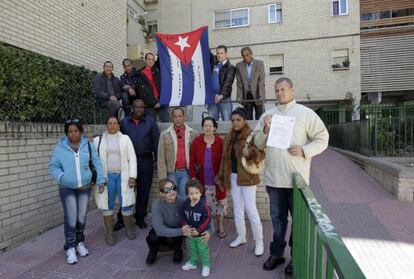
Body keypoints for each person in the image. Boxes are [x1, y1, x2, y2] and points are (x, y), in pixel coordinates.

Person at [254, 77, 329, 275]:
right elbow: (258, 143)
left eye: (283, 89)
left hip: (296, 181)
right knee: (277, 220)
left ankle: (296, 257)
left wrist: (305, 150)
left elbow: (323, 138)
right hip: (274, 180)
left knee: (298, 222)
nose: (280, 93)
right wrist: (265, 129)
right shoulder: (268, 115)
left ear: (292, 90)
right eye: (277, 90)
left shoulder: (305, 114)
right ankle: (277, 254)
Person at [49, 119, 105, 264]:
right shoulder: (60, 147)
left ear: (80, 131)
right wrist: (63, 177)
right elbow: (54, 166)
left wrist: (100, 180)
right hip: (66, 188)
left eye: (76, 131)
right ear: (67, 133)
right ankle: (70, 247)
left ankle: (79, 242)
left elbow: (97, 162)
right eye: (70, 131)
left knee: (81, 216)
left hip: (85, 187)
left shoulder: (88, 145)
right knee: (71, 217)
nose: (73, 134)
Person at [215, 108, 265, 257]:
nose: (235, 122)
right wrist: (222, 176)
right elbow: (225, 159)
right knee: (238, 208)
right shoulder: (229, 137)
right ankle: (241, 236)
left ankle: (259, 242)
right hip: (234, 177)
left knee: (251, 209)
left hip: (248, 177)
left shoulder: (252, 135)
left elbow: (261, 154)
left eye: (238, 119)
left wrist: (250, 153)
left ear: (244, 120)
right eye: (233, 120)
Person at [113, 99, 159, 230]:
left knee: (144, 192)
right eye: (136, 107)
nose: (139, 109)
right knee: (126, 191)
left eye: (142, 107)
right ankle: (122, 219)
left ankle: (140, 218)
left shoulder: (150, 122)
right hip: (127, 163)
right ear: (132, 108)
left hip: (146, 162)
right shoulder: (124, 123)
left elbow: (156, 142)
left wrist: (156, 160)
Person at [93, 116, 137, 245]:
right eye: (110, 123)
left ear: (118, 125)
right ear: (106, 125)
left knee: (126, 203)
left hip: (123, 176)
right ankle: (109, 233)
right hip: (106, 178)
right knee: (108, 204)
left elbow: (132, 158)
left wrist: (132, 176)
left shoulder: (125, 139)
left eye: (115, 123)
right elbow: (94, 161)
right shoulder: (98, 140)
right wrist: (98, 179)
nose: (112, 125)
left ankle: (129, 229)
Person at [146, 179, 211, 265]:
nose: (172, 191)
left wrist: (209, 231)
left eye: (173, 188)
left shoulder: (183, 201)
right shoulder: (157, 205)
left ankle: (178, 250)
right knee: (152, 237)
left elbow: (206, 213)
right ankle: (153, 251)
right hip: (172, 232)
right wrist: (182, 231)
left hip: (178, 234)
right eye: (167, 190)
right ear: (162, 194)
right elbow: (159, 229)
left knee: (173, 239)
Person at [189, 117, 227, 238]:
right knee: (207, 205)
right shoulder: (197, 141)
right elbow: (192, 161)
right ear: (203, 127)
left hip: (218, 180)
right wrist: (193, 177)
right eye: (206, 125)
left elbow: (225, 161)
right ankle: (208, 227)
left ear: (215, 127)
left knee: (220, 203)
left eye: (210, 126)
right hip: (202, 180)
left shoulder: (220, 141)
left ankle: (220, 225)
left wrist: (223, 177)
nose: (208, 128)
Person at [157, 107, 198, 199]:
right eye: (175, 116)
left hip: (185, 172)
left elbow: (197, 156)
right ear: (172, 118)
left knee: (184, 197)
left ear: (184, 117)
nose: (177, 118)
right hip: (171, 172)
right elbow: (161, 157)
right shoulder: (165, 134)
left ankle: (182, 214)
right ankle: (173, 214)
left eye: (180, 116)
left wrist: (195, 173)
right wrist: (163, 178)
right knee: (171, 197)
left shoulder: (193, 133)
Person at [180, 179, 211, 278]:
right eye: (191, 193)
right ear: (187, 194)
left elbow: (208, 218)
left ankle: (206, 265)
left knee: (203, 250)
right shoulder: (185, 204)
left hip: (201, 234)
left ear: (201, 193)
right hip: (190, 233)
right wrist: (184, 224)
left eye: (196, 193)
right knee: (192, 248)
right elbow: (183, 215)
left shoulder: (203, 206)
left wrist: (199, 230)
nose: (194, 196)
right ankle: (193, 263)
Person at [137, 52, 169, 122]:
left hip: (161, 102)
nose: (151, 61)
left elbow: (161, 59)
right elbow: (142, 93)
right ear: (145, 60)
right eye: (149, 59)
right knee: (151, 124)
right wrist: (154, 103)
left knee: (166, 122)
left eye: (152, 60)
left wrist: (160, 102)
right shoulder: (139, 74)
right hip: (149, 105)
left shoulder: (157, 70)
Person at [207, 45, 236, 121]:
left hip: (224, 99)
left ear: (226, 54)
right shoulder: (213, 64)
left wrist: (220, 96)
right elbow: (208, 53)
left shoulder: (230, 67)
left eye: (221, 53)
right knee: (212, 123)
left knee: (227, 123)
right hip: (212, 99)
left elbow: (227, 83)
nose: (219, 55)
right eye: (218, 53)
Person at [236, 47, 265, 120]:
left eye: (247, 55)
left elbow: (261, 80)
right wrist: (239, 97)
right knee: (248, 118)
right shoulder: (239, 65)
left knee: (260, 117)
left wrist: (261, 96)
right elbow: (239, 83)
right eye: (243, 56)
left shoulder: (259, 63)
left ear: (251, 54)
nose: (246, 57)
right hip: (247, 96)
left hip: (258, 94)